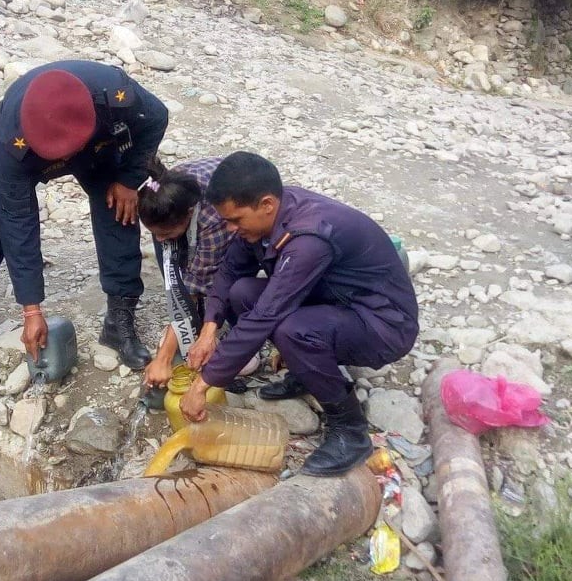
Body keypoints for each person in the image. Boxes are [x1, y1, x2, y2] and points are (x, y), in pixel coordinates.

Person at [179, 153, 418, 477]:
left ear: (266, 205)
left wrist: (202, 385)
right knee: (242, 294)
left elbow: (266, 315)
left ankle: (350, 431)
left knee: (294, 330)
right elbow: (229, 273)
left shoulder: (308, 237)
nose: (231, 229)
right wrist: (208, 331)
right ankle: (308, 372)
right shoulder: (265, 216)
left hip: (383, 323)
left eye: (235, 220)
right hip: (336, 299)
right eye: (226, 220)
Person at [0, 61, 169, 373]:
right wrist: (31, 309)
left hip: (98, 144)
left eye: (67, 152)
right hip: (26, 155)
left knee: (119, 208)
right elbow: (19, 227)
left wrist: (129, 180)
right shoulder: (11, 145)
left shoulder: (113, 93)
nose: (65, 160)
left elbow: (157, 118)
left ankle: (119, 321)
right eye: (60, 155)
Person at [137, 156, 240, 389]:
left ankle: (232, 329)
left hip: (230, 214)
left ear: (190, 213)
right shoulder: (162, 191)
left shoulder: (214, 218)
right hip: (186, 212)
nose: (159, 239)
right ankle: (192, 327)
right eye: (154, 233)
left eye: (165, 233)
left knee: (223, 281)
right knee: (176, 263)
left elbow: (194, 288)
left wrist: (163, 358)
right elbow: (176, 275)